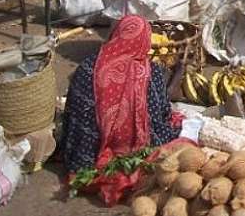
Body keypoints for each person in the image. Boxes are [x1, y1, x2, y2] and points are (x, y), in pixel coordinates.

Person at [60, 16, 180, 195]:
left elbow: (72, 115)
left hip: (85, 156)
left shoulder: (87, 67)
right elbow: (160, 115)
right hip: (141, 150)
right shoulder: (151, 72)